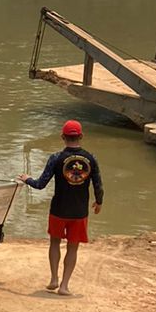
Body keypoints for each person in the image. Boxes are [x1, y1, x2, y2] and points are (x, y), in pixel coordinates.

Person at [18, 120, 103, 296]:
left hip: (58, 209)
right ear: (81, 136)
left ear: (62, 137)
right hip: (79, 211)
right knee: (73, 247)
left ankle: (53, 279)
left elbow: (41, 184)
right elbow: (98, 185)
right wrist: (99, 201)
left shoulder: (56, 158)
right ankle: (64, 286)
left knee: (55, 242)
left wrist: (27, 179)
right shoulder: (91, 158)